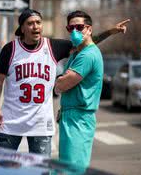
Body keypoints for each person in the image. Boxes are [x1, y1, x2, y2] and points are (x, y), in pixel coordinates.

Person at [0, 8, 129, 156]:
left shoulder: (52, 46)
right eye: (30, 23)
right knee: (1, 167)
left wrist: (110, 31)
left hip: (41, 123)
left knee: (41, 170)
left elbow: (86, 42)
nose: (36, 26)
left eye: (38, 22)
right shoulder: (10, 49)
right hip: (11, 121)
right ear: (22, 28)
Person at [54, 10, 126, 168]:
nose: (74, 32)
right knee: (66, 168)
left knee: (72, 169)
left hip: (78, 119)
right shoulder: (77, 52)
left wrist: (57, 81)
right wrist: (110, 31)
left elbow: (62, 85)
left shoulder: (87, 55)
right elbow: (93, 39)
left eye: (79, 27)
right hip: (71, 116)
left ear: (89, 29)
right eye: (70, 28)